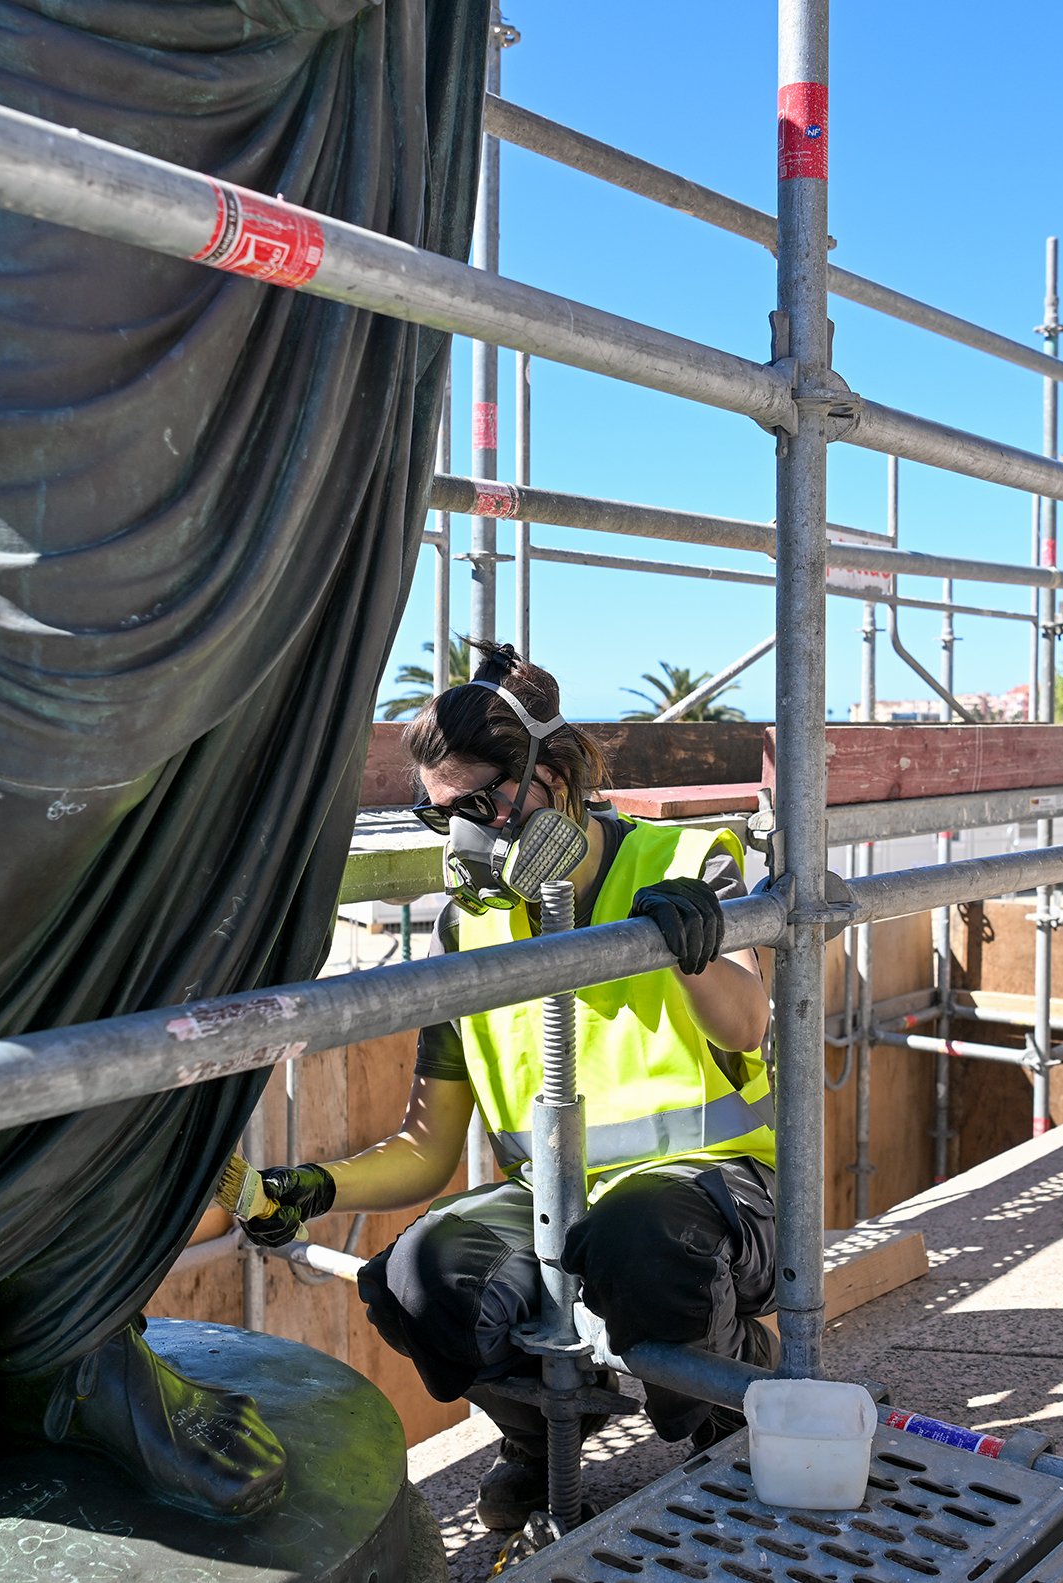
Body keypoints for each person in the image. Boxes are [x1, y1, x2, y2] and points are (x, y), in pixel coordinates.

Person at [244, 641, 779, 1530]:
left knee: (639, 1244)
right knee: (416, 1278)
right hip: (560, 1202)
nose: (469, 836)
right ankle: (541, 1437)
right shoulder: (472, 928)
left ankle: (730, 1402)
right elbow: (426, 1147)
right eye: (440, 815)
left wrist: (688, 951)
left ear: (555, 779)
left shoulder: (679, 863)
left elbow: (749, 1023)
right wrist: (313, 1187)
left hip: (719, 1198)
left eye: (483, 804)